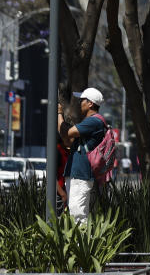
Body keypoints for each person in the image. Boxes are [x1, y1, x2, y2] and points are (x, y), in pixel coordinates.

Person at [57, 87, 107, 223]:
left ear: (90, 103)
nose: (79, 103)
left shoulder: (94, 121)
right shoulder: (91, 122)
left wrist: (59, 114)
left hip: (81, 174)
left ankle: (83, 244)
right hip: (77, 174)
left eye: (82, 100)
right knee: (75, 213)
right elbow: (67, 138)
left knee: (78, 216)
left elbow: (67, 133)